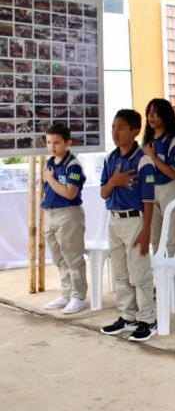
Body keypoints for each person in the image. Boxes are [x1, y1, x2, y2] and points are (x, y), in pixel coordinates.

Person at [99, 109, 157, 342]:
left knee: (139, 271)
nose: (115, 133)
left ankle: (148, 320)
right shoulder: (110, 159)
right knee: (120, 272)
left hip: (135, 220)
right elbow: (104, 193)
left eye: (121, 128)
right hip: (115, 219)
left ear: (135, 131)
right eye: (113, 127)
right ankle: (128, 315)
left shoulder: (142, 161)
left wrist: (146, 232)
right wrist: (114, 181)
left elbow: (149, 201)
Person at [41, 123, 88, 314]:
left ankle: (78, 296)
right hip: (50, 213)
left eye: (57, 142)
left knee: (72, 256)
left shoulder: (73, 164)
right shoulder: (50, 163)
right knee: (59, 257)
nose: (52, 147)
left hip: (68, 214)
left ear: (68, 142)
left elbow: (69, 193)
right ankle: (67, 292)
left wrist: (51, 179)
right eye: (49, 142)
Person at [143, 98, 175, 290]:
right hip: (152, 190)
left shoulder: (173, 140)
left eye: (156, 113)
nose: (152, 117)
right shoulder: (148, 141)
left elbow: (173, 172)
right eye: (149, 112)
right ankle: (160, 279)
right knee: (155, 238)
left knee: (172, 238)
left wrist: (152, 157)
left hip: (169, 189)